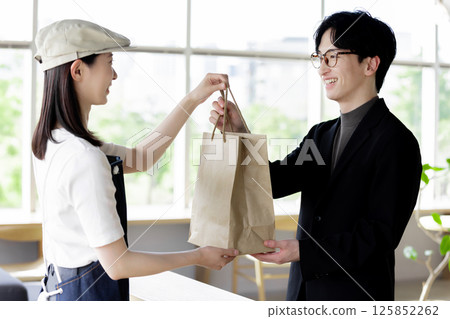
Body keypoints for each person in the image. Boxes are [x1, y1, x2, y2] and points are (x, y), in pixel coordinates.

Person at [210, 11, 422, 301]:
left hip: (354, 296)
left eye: (332, 56)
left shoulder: (397, 141)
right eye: (319, 58)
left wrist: (302, 251)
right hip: (302, 292)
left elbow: (379, 237)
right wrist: (240, 134)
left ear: (370, 64)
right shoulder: (320, 135)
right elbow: (271, 181)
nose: (322, 69)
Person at [32, 19, 238, 301]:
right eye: (109, 61)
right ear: (78, 70)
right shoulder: (83, 158)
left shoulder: (53, 143)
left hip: (60, 292)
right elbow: (119, 265)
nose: (114, 75)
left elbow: (144, 157)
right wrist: (199, 256)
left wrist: (193, 99)